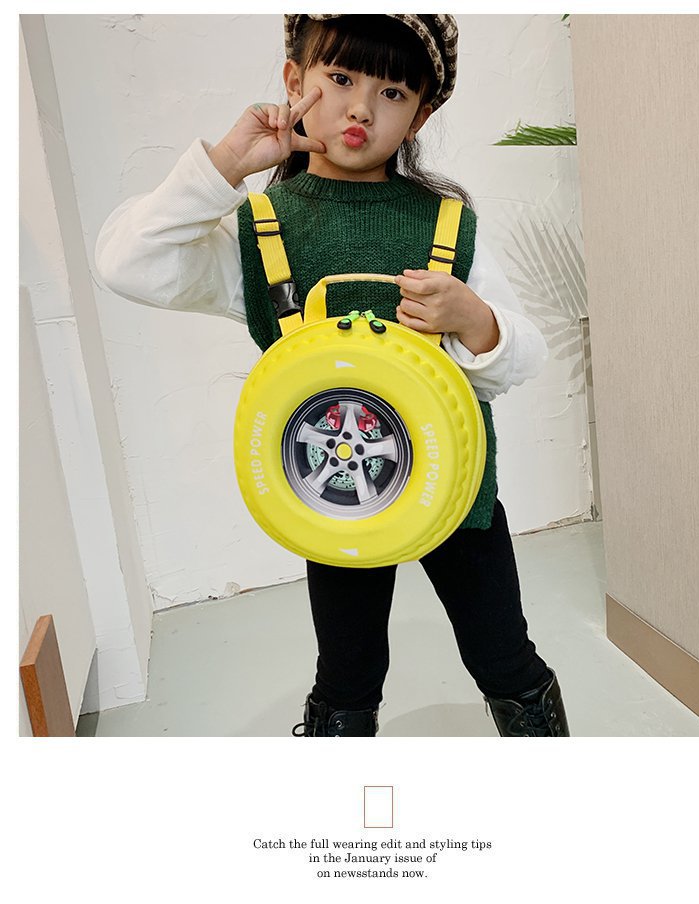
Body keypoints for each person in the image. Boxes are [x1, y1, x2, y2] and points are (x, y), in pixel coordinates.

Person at [95, 13, 571, 737]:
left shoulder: (448, 224)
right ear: (295, 82)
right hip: (337, 499)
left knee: (503, 655)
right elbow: (126, 263)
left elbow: (524, 354)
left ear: (420, 116)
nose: (361, 109)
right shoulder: (260, 227)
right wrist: (224, 165)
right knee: (347, 676)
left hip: (457, 493)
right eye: (341, 78)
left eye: (392, 93)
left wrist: (476, 320)